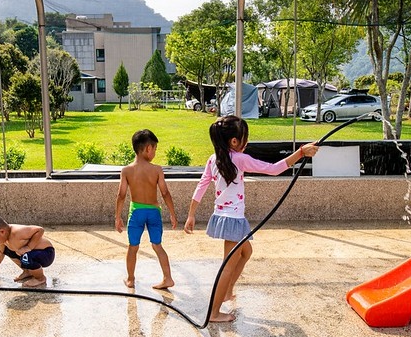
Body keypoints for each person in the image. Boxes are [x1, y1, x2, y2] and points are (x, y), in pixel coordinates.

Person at [183, 116, 319, 322]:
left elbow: (201, 185)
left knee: (246, 252)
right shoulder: (238, 158)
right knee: (228, 265)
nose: (247, 142)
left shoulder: (214, 159)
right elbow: (273, 169)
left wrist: (192, 214)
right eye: (245, 138)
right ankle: (214, 312)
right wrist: (300, 153)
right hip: (233, 220)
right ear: (234, 142)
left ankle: (228, 291)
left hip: (223, 216)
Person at [115, 129, 178, 289]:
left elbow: (121, 195)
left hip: (136, 212)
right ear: (148, 148)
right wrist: (172, 213)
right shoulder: (156, 170)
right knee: (157, 245)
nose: (155, 152)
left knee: (133, 246)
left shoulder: (127, 170)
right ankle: (168, 278)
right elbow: (165, 193)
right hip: (154, 212)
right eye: (155, 149)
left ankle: (130, 279)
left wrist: (118, 217)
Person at [0, 214, 55, 287]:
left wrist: (29, 247)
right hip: (32, 254)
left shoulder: (17, 232)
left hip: (46, 253)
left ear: (2, 232)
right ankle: (28, 271)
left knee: (26, 256)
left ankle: (40, 278)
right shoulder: (5, 239)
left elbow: (39, 230)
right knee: (7, 250)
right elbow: (0, 252)